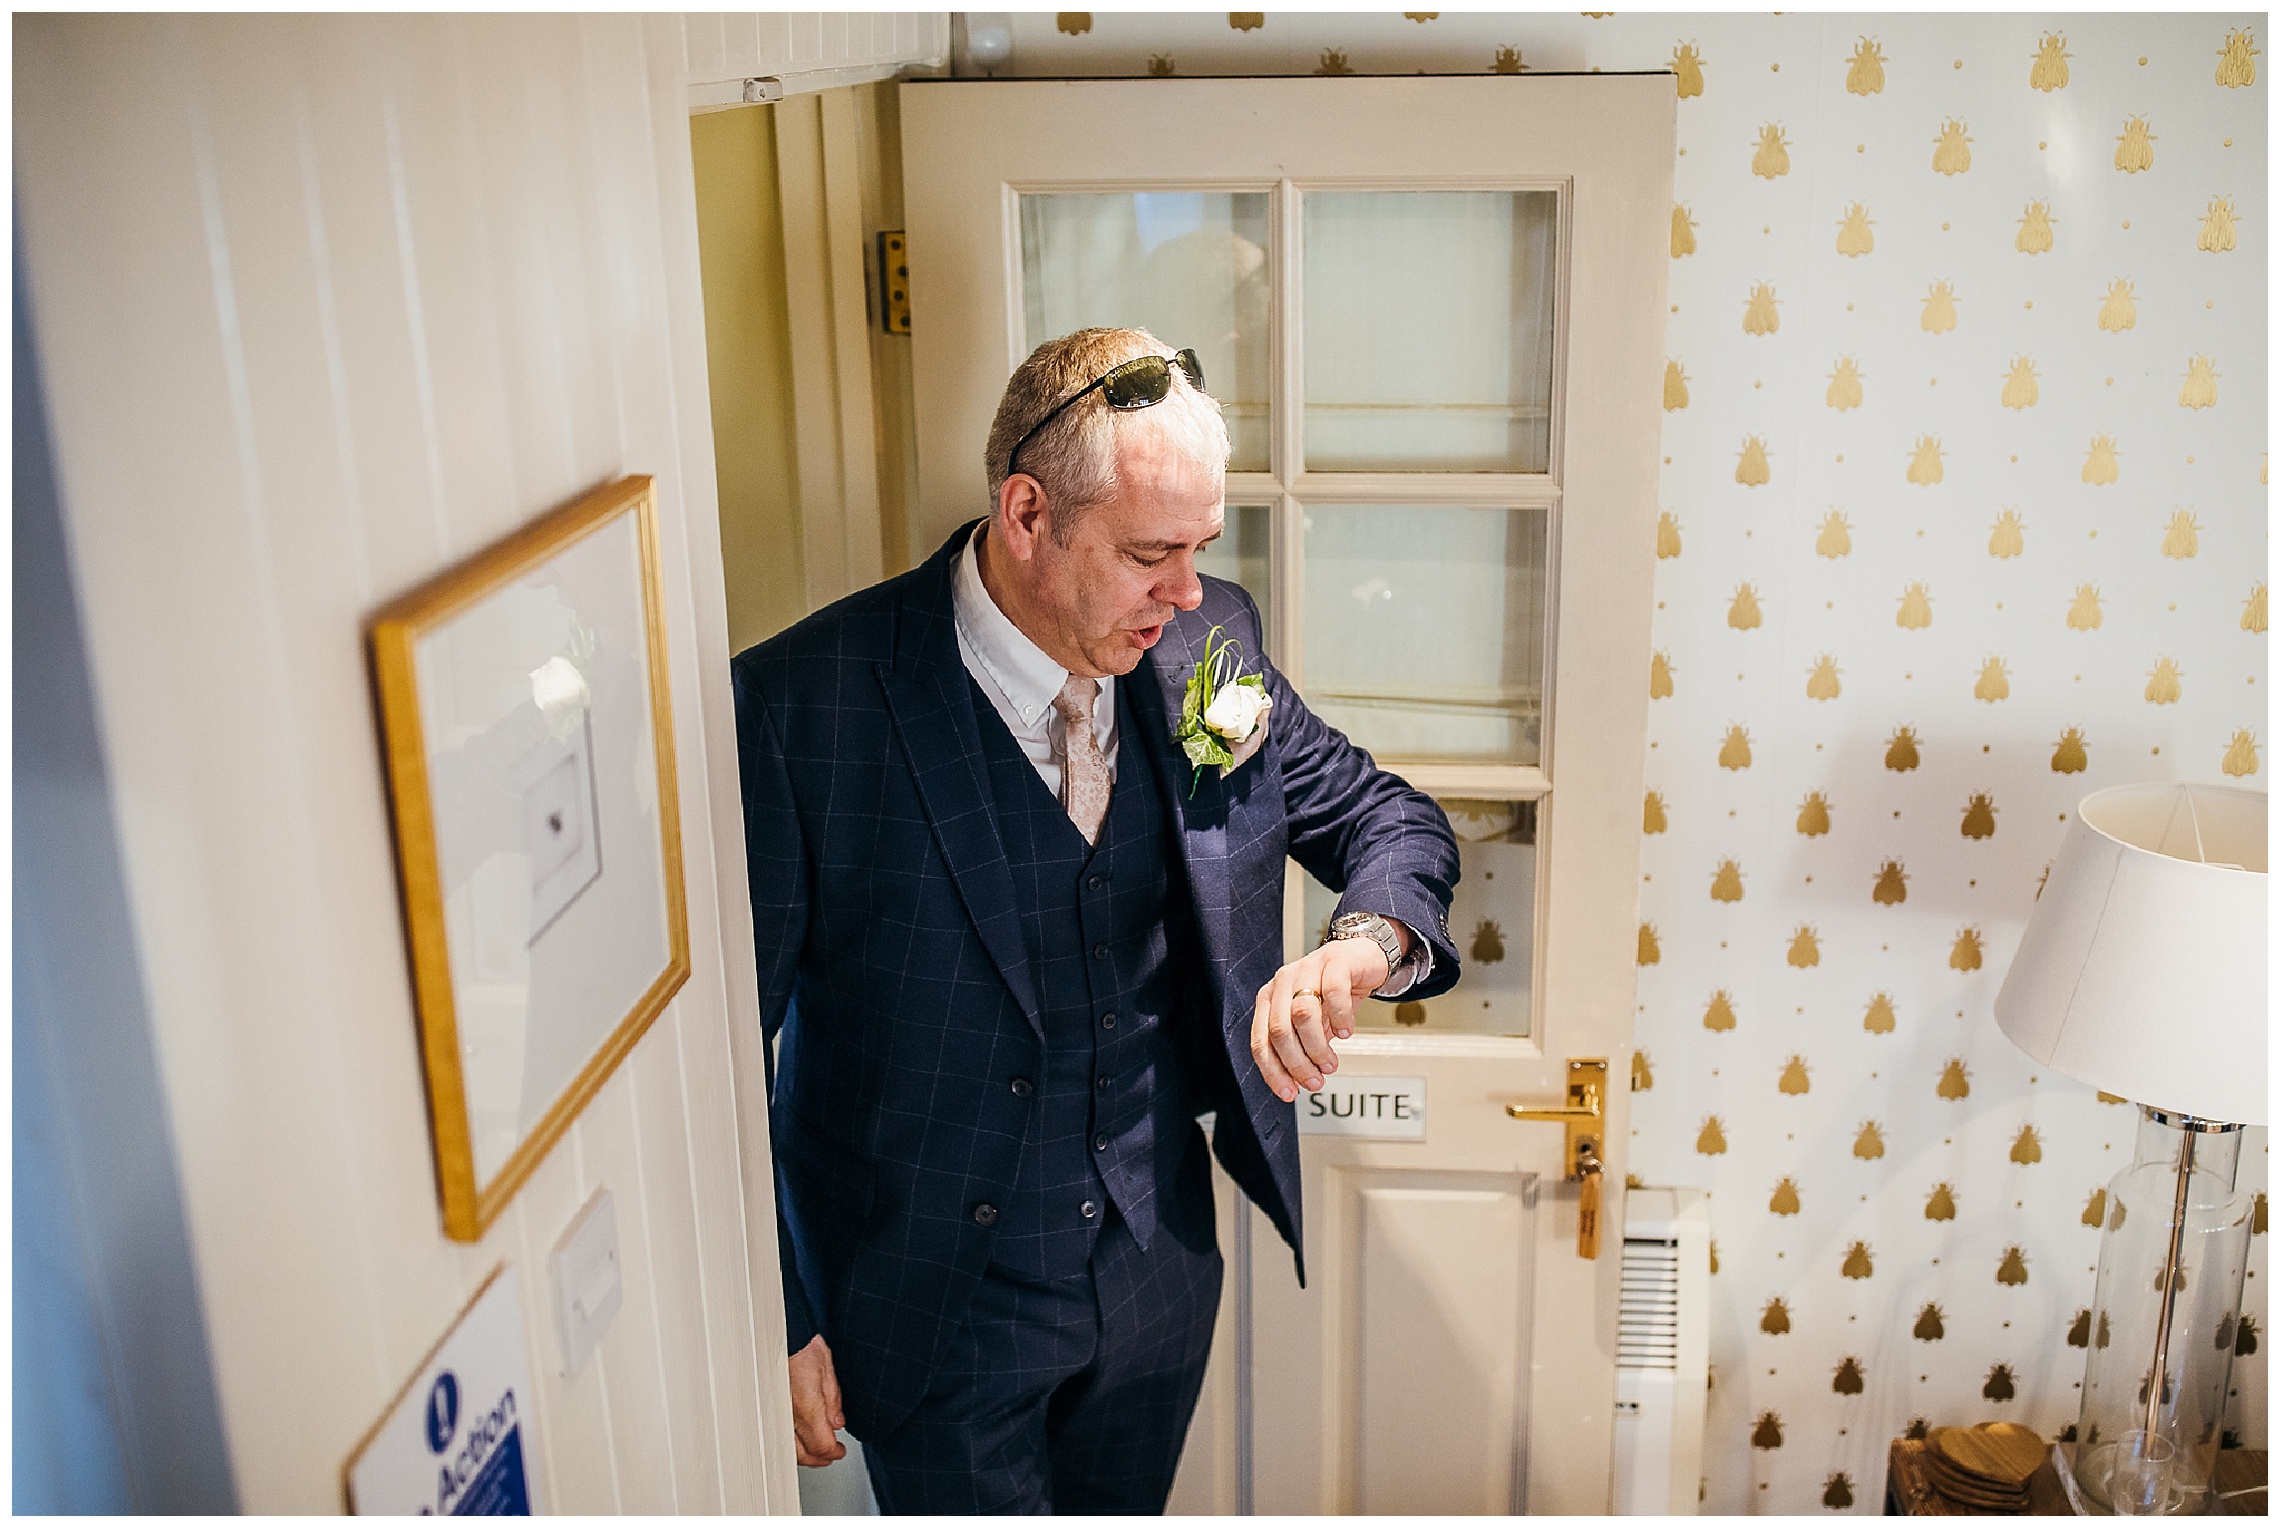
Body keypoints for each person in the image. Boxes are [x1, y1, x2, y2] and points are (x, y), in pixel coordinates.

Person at [732, 327, 1461, 1513]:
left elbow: (1393, 820)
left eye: (1200, 552)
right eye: (1149, 553)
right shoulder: (801, 705)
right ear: (1027, 515)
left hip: (1155, 1275)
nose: (1185, 594)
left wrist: (1361, 945)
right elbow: (720, 1057)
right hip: (928, 1309)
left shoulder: (1206, 646)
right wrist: (779, 1316)